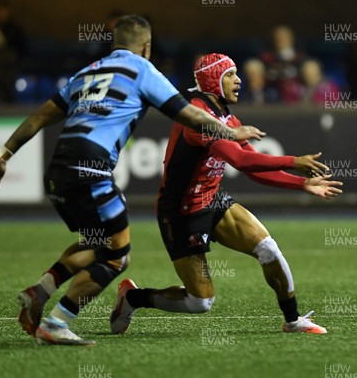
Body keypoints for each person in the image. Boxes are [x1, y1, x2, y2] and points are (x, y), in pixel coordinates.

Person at [0, 16, 264, 346]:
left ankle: (42, 290)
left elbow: (38, 117)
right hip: (90, 171)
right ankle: (57, 322)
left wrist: (3, 155)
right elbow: (188, 113)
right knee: (116, 257)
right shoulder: (142, 70)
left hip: (57, 174)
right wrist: (231, 132)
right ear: (147, 47)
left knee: (99, 243)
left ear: (113, 44)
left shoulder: (86, 73)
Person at [109, 53, 343, 336]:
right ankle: (133, 298)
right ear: (212, 80)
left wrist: (301, 184)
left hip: (213, 200)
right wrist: (294, 161)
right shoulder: (197, 117)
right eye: (230, 74)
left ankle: (293, 321)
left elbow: (255, 169)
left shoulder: (227, 118)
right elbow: (241, 161)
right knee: (200, 302)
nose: (238, 79)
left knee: (268, 249)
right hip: (181, 213)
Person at [261, 25, 305, 103]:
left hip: (297, 99)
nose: (280, 40)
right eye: (278, 38)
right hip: (272, 99)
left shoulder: (300, 59)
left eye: (284, 37)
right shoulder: (267, 59)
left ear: (291, 39)